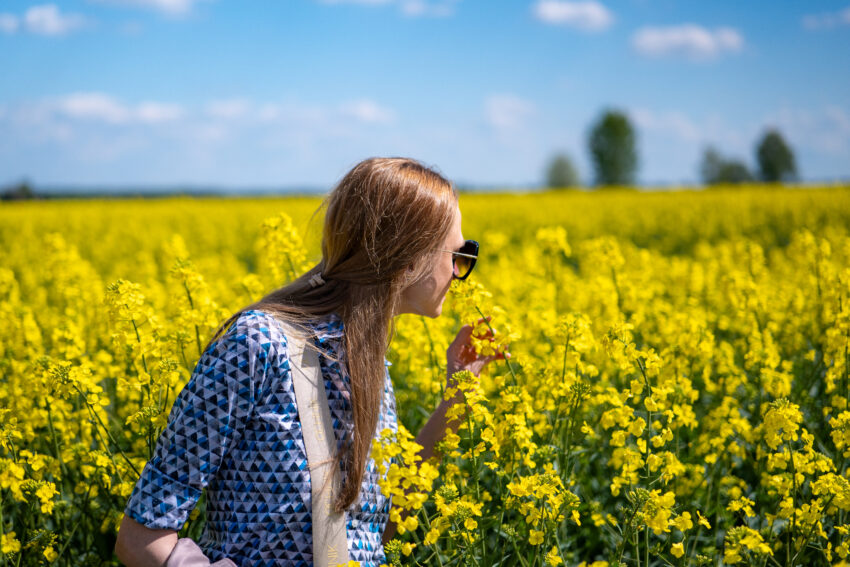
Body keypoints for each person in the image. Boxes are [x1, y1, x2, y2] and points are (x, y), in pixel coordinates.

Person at [114, 157, 504, 566]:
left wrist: (458, 401)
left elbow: (369, 535)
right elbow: (141, 537)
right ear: (408, 259)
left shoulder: (371, 370)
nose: (462, 270)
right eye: (459, 254)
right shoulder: (259, 344)